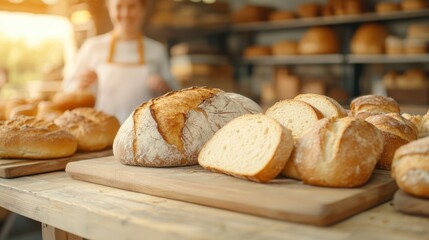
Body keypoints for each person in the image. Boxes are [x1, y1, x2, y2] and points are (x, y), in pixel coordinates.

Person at [63, 0, 178, 123]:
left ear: (143, 10)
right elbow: (67, 90)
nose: (125, 13)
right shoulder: (92, 47)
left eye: (131, 6)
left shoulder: (157, 50)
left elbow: (175, 97)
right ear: (109, 9)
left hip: (145, 131)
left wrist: (164, 88)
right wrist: (79, 86)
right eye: (119, 7)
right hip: (103, 131)